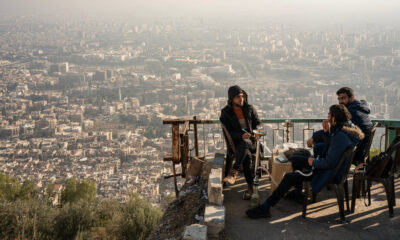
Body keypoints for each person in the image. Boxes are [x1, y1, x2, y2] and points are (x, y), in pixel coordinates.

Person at [246, 104, 364, 219]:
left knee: (289, 177)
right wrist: (326, 132)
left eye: (329, 115)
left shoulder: (341, 136)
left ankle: (265, 208)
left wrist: (312, 162)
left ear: (334, 119)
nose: (327, 117)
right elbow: (332, 148)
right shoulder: (347, 129)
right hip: (332, 168)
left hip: (326, 172)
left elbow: (329, 162)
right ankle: (298, 193)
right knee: (296, 158)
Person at [308, 87, 373, 163]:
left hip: (353, 152)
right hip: (359, 148)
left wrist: (314, 137)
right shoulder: (360, 107)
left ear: (351, 98)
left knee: (318, 146)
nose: (340, 101)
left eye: (343, 98)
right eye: (339, 99)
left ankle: (322, 168)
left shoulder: (350, 112)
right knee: (322, 142)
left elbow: (335, 130)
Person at [220, 85, 261, 200]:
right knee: (246, 154)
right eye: (238, 97)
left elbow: (258, 123)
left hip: (252, 141)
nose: (241, 99)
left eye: (242, 96)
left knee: (246, 144)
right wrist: (241, 135)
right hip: (236, 144)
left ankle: (234, 171)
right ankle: (250, 188)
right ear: (232, 98)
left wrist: (256, 132)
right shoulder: (226, 113)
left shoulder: (250, 109)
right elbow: (228, 132)